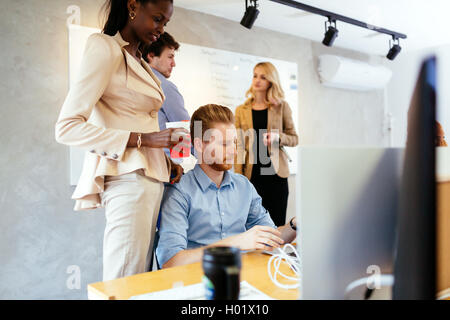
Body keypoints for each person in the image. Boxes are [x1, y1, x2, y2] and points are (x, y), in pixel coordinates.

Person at [55, 0, 189, 281]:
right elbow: (67, 128)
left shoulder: (137, 60)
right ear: (132, 7)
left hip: (150, 181)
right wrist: (144, 140)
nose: (160, 29)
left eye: (165, 23)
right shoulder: (104, 47)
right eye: (157, 19)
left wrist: (164, 160)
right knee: (124, 281)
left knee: (138, 279)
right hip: (129, 181)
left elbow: (132, 119)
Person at [156, 104, 297, 268]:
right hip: (199, 281)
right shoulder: (178, 192)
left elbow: (272, 239)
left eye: (234, 143)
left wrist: (295, 225)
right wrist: (236, 243)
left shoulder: (244, 186)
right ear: (200, 145)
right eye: (224, 144)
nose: (233, 152)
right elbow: (171, 262)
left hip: (241, 277)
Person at [234, 62, 298, 227]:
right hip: (252, 176)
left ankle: (276, 254)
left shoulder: (282, 107)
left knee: (276, 226)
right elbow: (239, 146)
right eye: (255, 75)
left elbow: (294, 138)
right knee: (252, 227)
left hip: (276, 177)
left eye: (263, 76)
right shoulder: (241, 110)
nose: (257, 80)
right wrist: (238, 178)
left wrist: (279, 137)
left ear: (271, 80)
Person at [142, 32, 190, 132]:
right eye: (170, 57)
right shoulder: (165, 87)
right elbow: (186, 128)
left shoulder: (135, 81)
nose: (174, 64)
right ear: (151, 56)